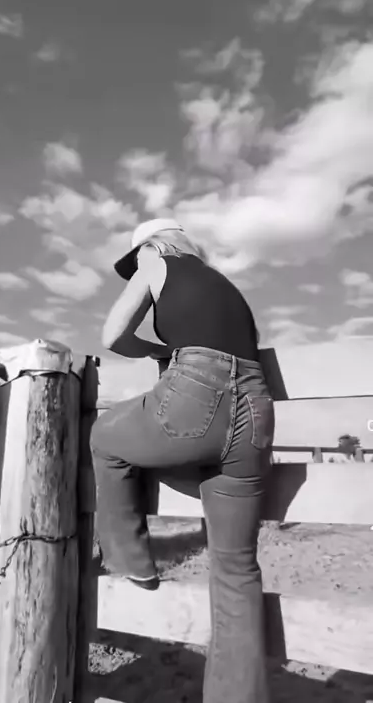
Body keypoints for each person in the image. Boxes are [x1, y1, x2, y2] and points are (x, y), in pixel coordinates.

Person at [90, 217, 275, 703]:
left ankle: (129, 557)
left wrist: (158, 351)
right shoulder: (226, 286)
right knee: (236, 569)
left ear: (153, 245)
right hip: (255, 413)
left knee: (105, 435)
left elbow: (113, 336)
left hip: (198, 393)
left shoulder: (156, 258)